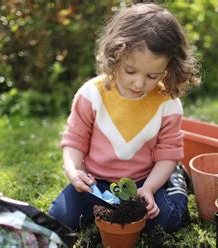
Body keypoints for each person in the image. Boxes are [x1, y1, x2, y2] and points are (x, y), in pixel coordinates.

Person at [49, 2, 200, 233]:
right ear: (114, 57)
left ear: (169, 67)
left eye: (153, 75)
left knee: (167, 221)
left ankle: (174, 178)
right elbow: (74, 141)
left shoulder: (167, 103)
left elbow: (168, 151)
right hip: (95, 183)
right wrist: (73, 170)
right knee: (61, 219)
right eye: (130, 71)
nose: (139, 84)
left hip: (144, 180)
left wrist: (149, 188)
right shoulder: (91, 94)